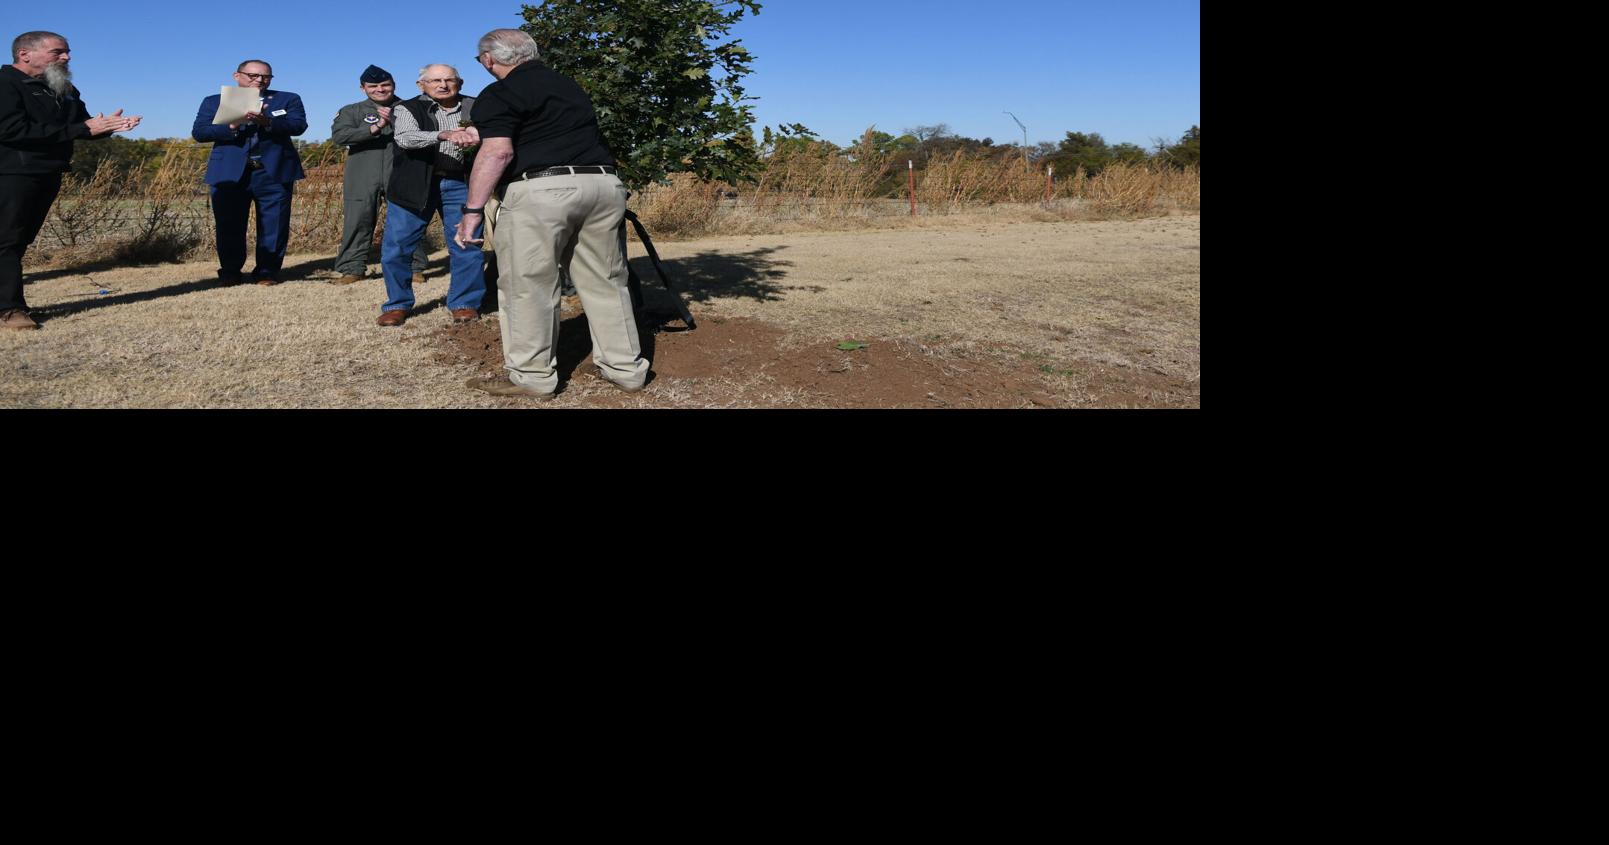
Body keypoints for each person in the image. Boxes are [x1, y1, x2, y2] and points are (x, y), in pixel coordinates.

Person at [452, 29, 648, 397]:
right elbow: (546, 131)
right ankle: (626, 370)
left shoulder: (499, 93)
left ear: (489, 60)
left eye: (481, 60)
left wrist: (472, 211)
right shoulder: (568, 87)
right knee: (607, 280)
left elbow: (498, 153)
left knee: (528, 285)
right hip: (603, 185)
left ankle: (532, 377)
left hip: (542, 191)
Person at [1, 31, 139, 331]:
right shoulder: (5, 83)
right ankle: (9, 310)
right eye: (58, 52)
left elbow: (80, 126)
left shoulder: (64, 87)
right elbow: (11, 130)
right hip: (11, 173)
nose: (67, 57)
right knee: (6, 241)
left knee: (19, 240)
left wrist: (109, 127)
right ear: (25, 54)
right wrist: (82, 129)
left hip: (49, 172)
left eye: (67, 52)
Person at [375, 64, 485, 326]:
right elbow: (405, 138)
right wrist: (444, 134)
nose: (443, 85)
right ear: (421, 85)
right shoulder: (406, 108)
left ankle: (464, 303)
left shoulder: (477, 106)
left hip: (461, 182)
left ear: (460, 82)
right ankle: (397, 304)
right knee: (397, 247)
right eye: (435, 80)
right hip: (414, 184)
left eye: (449, 80)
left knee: (466, 243)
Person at [191, 59, 306, 286]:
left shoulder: (287, 99)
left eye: (265, 76)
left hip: (272, 172)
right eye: (253, 76)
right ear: (237, 76)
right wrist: (231, 126)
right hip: (229, 172)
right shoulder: (214, 101)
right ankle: (230, 271)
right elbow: (200, 132)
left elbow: (298, 126)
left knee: (274, 224)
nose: (259, 80)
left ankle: (267, 272)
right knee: (229, 224)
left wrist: (267, 122)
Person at [328, 64, 427, 286]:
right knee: (357, 221)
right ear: (362, 88)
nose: (380, 89)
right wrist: (376, 127)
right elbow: (340, 136)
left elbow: (425, 134)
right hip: (362, 174)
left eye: (385, 85)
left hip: (401, 172)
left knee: (407, 221)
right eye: (373, 86)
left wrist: (396, 121)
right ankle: (351, 268)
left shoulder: (411, 107)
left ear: (394, 85)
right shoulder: (351, 111)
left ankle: (414, 268)